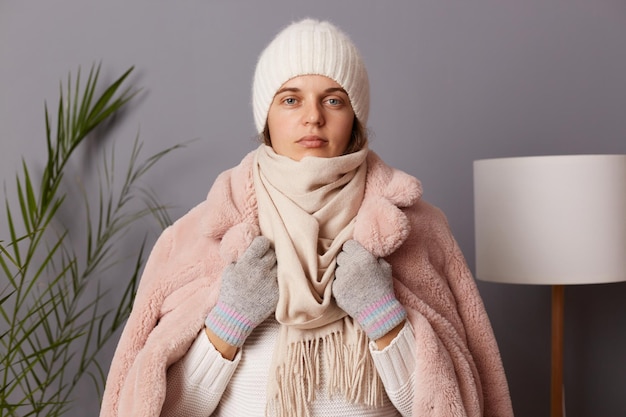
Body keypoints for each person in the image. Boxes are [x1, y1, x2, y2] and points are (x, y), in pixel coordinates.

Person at [99, 18, 513, 417]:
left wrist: (383, 315)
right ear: (267, 116)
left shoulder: (417, 228)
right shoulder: (201, 233)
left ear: (355, 117)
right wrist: (229, 321)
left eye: (333, 100)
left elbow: (448, 405)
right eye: (290, 99)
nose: (312, 117)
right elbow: (162, 409)